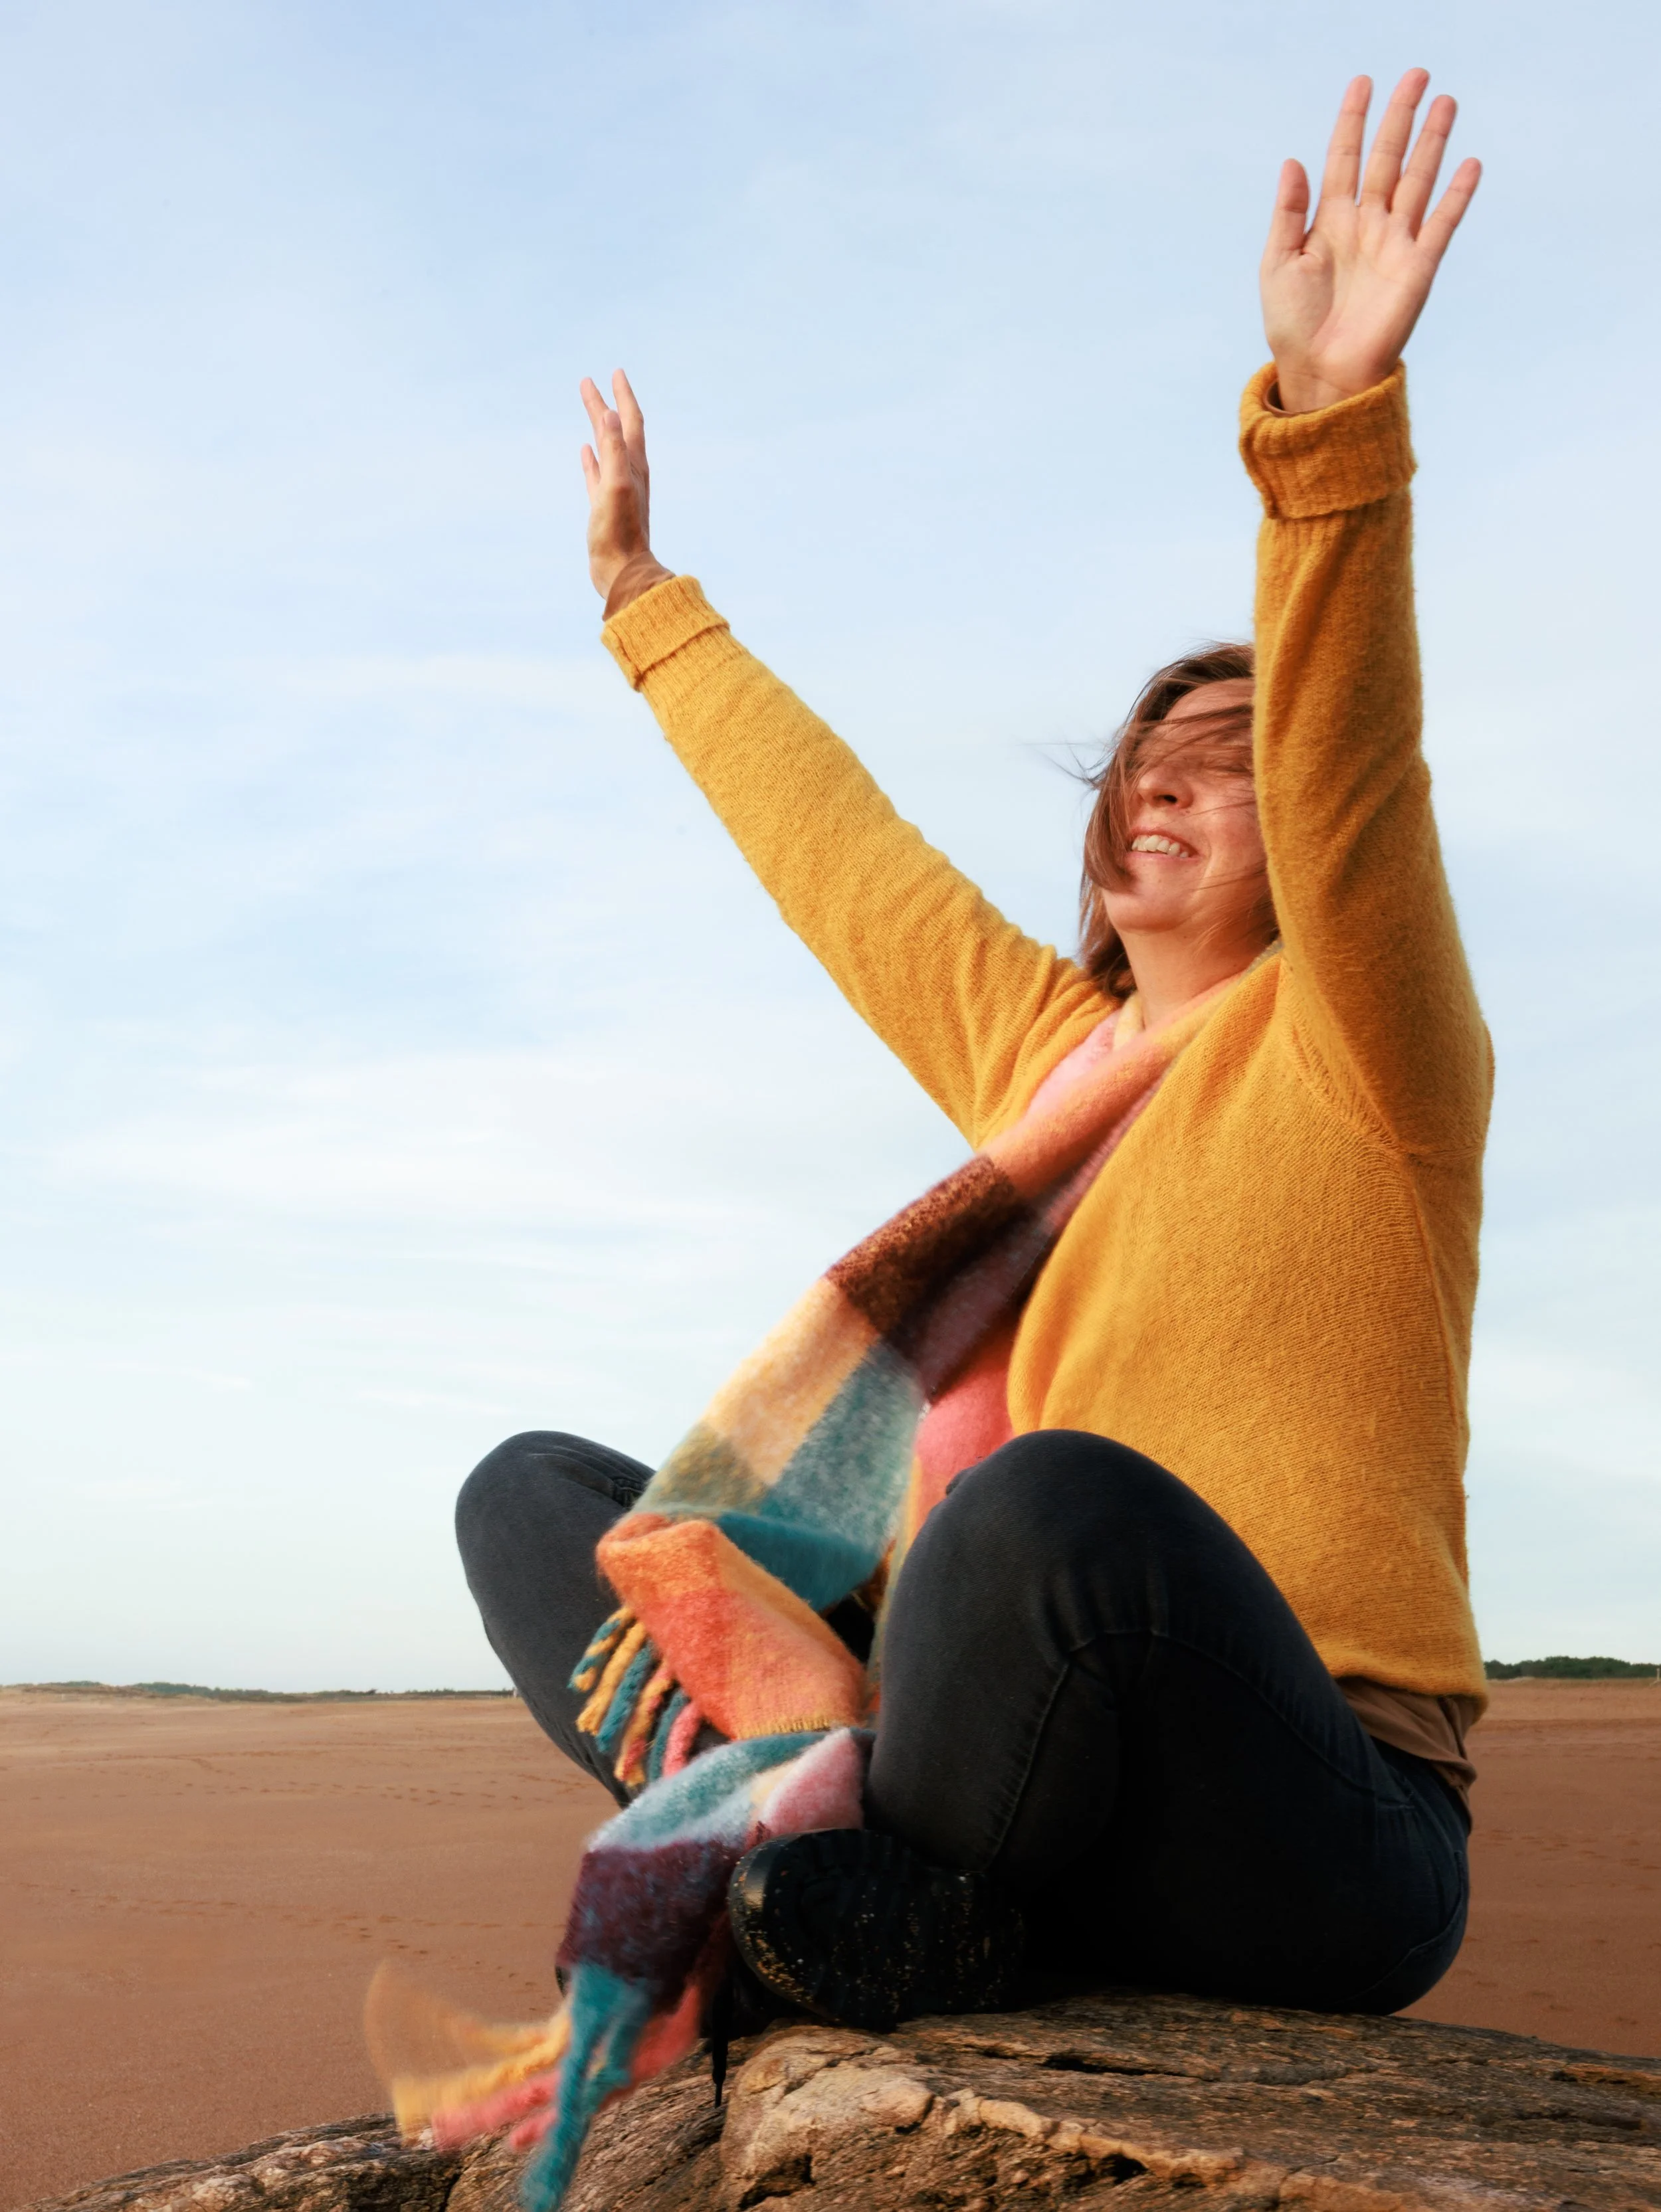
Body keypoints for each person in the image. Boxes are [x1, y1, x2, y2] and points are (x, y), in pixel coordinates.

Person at [457, 71, 1488, 2024]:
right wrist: (643, 605)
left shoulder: (1369, 1048)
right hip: (1019, 1781)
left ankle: (830, 1886)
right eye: (1140, 764)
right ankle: (863, 1883)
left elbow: (1360, 765)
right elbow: (842, 860)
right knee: (546, 1501)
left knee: (1039, 1509)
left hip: (1307, 1813)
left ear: (1302, 828)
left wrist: (1330, 431)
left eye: (1225, 765)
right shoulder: (1047, 1062)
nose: (1158, 787)